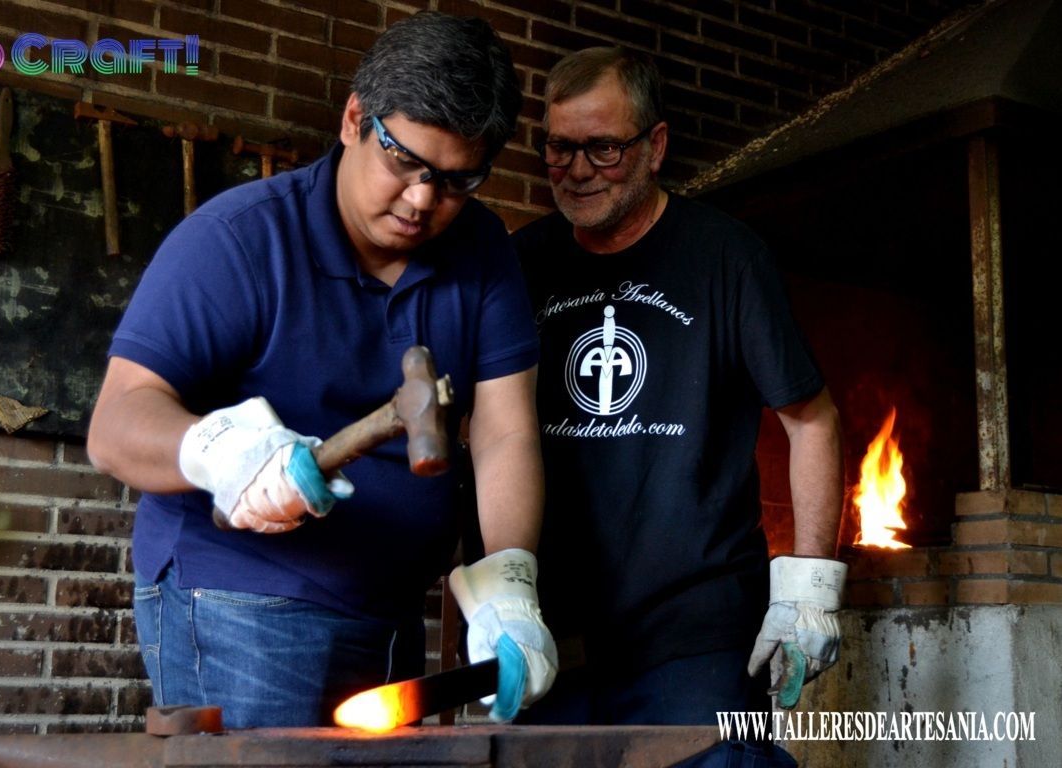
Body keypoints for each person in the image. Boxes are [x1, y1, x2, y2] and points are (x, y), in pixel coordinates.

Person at [86, 11, 556, 729]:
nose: (423, 199)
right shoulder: (239, 239)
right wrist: (217, 452)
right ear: (353, 120)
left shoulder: (482, 248)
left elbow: (502, 433)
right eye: (404, 161)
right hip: (243, 601)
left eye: (457, 180)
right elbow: (116, 424)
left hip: (395, 609)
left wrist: (508, 588)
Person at [512, 46, 845, 751]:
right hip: (552, 635)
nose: (575, 171)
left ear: (654, 145)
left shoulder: (726, 257)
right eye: (558, 148)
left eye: (601, 149)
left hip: (700, 638)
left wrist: (810, 589)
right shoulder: (521, 265)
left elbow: (810, 418)